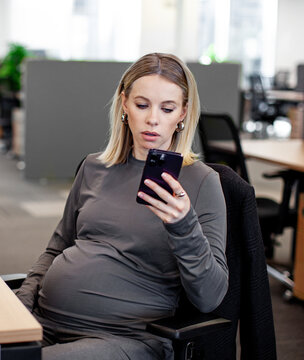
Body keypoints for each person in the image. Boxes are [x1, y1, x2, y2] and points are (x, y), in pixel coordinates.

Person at [15, 53, 229, 360]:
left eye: (167, 108)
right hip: (45, 321)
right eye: (142, 105)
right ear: (124, 104)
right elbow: (57, 247)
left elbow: (211, 296)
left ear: (182, 113)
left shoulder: (201, 182)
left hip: (125, 338)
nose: (153, 119)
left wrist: (183, 225)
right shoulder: (94, 167)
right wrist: (22, 300)